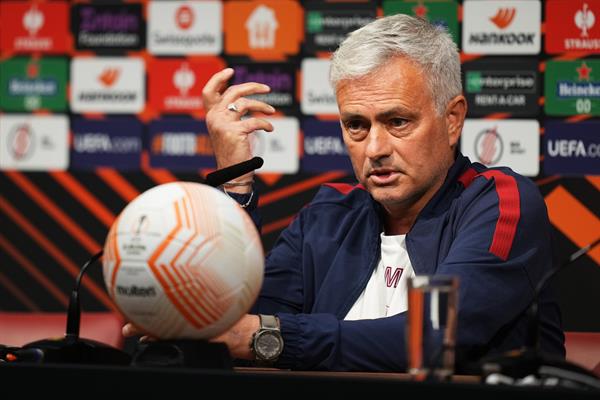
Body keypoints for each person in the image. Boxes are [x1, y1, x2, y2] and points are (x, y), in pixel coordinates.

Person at [124, 14, 564, 372]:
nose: (374, 149)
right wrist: (234, 180)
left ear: (452, 120)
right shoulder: (328, 215)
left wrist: (262, 337)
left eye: (398, 122)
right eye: (356, 125)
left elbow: (437, 336)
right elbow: (233, 319)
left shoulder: (500, 202)